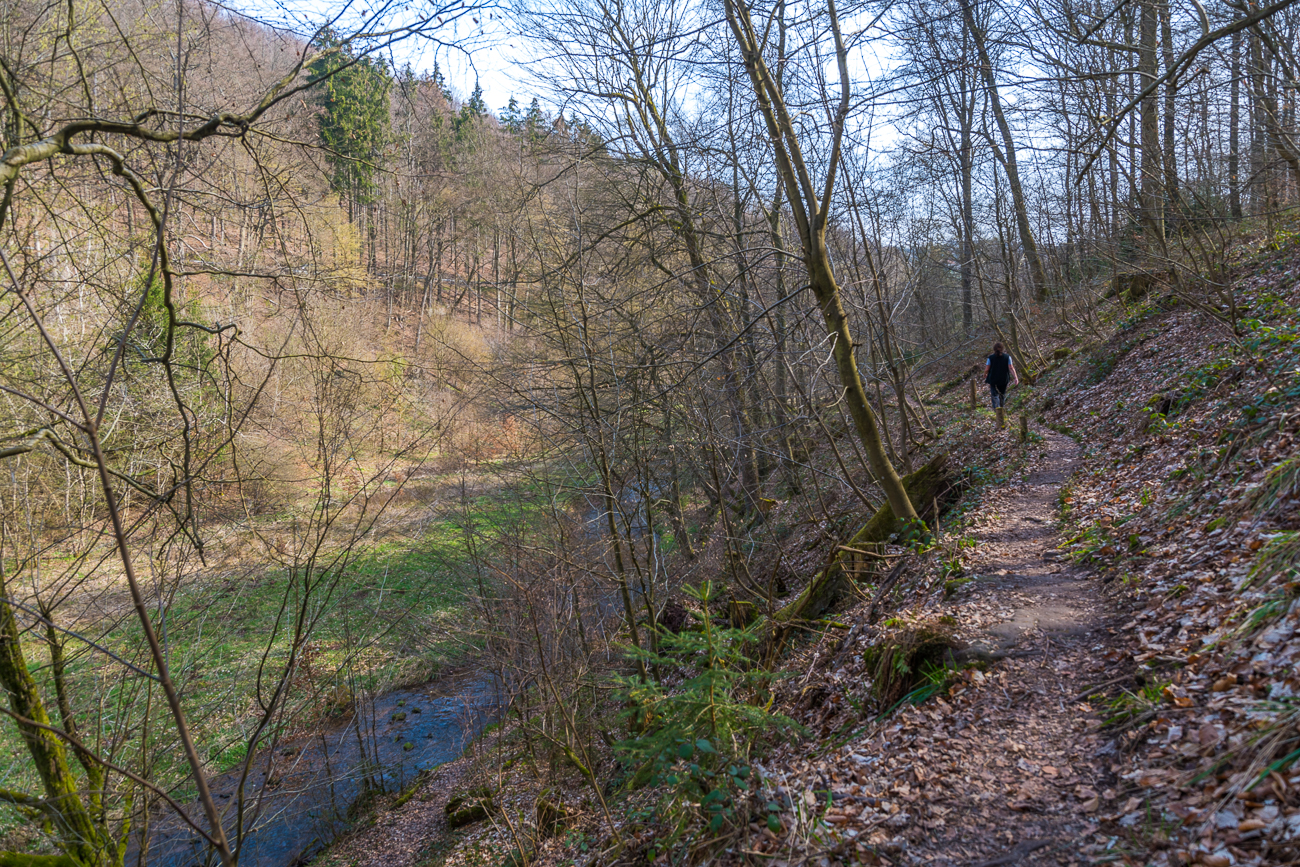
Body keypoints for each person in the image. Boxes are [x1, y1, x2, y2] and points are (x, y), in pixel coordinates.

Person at [984, 342, 1019, 427]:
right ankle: (1001, 410)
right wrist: (1015, 377)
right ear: (1002, 349)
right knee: (1002, 395)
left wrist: (985, 374)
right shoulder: (1007, 357)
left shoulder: (990, 358)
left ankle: (997, 412)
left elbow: (987, 368)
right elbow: (1011, 367)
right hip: (1004, 379)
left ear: (994, 349)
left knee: (994, 395)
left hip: (993, 380)